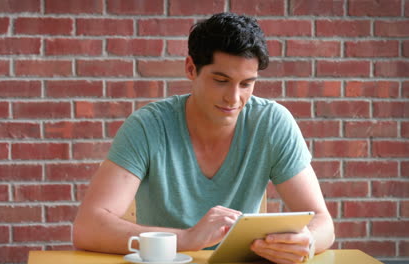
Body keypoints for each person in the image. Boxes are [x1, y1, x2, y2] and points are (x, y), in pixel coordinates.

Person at [73, 12, 335, 264]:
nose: (233, 99)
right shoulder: (148, 126)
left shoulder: (272, 123)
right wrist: (188, 238)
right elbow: (87, 227)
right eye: (221, 80)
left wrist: (307, 241)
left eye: (246, 84)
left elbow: (324, 223)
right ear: (191, 68)